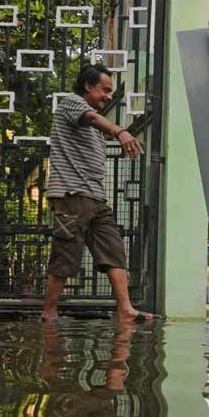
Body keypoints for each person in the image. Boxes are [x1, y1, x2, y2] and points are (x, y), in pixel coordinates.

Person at [41, 64, 153, 323]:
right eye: (104, 90)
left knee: (113, 249)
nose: (108, 96)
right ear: (87, 86)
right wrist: (120, 132)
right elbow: (92, 118)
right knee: (66, 252)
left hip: (95, 197)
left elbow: (93, 121)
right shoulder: (72, 104)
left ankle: (125, 309)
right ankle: (49, 313)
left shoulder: (91, 119)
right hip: (72, 193)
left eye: (111, 92)